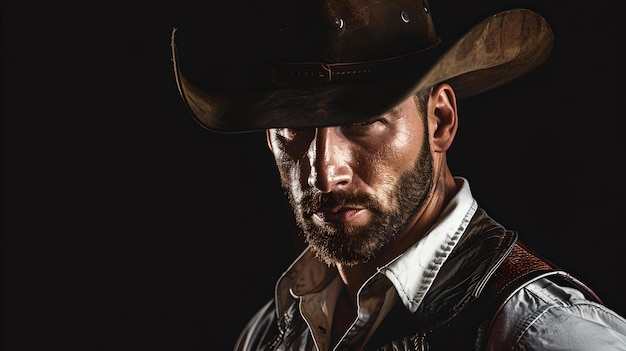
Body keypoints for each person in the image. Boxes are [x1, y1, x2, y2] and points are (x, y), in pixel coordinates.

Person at [170, 0, 626, 350]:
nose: (325, 171)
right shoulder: (272, 333)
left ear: (440, 120)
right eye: (293, 126)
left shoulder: (544, 333)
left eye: (364, 120)